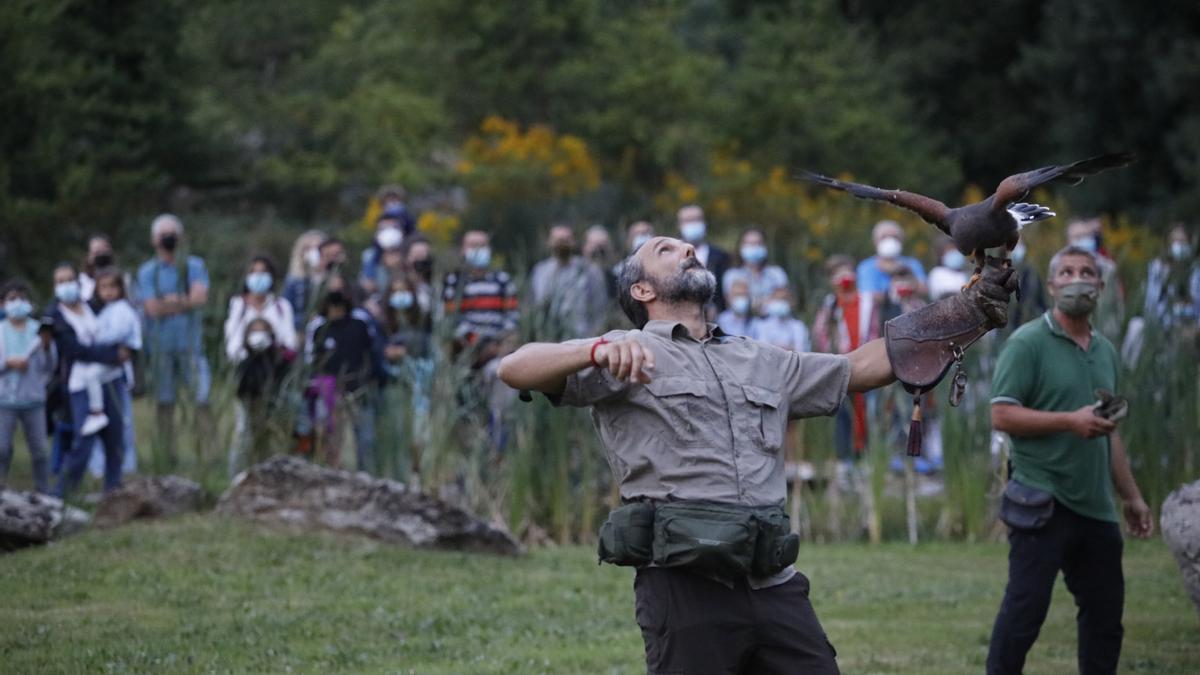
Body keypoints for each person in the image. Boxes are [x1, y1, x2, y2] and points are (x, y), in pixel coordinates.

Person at [498, 235, 1016, 674]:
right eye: (667, 249)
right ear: (642, 289)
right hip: (686, 588)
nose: (688, 249)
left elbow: (858, 368)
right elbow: (515, 367)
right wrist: (591, 350)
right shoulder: (625, 349)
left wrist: (964, 313)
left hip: (773, 582)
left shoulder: (760, 357)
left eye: (688, 245)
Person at [986, 245, 1153, 675]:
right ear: (1053, 283)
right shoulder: (1028, 343)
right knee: (1024, 616)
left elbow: (1108, 433)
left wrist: (1132, 498)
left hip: (1096, 507)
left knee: (1105, 622)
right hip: (1041, 500)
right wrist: (1067, 421)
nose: (1077, 279)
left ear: (1100, 285)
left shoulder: (1106, 352)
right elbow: (1000, 414)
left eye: (1086, 272)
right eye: (1066, 272)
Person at [46, 263, 131, 497]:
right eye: (60, 281)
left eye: (70, 279)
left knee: (115, 439)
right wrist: (114, 355)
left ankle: (112, 491)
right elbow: (74, 350)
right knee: (83, 442)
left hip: (109, 379)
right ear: (54, 286)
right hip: (80, 385)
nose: (66, 285)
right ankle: (62, 495)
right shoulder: (55, 317)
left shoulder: (92, 306)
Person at [135, 213, 212, 465]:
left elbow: (200, 299)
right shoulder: (147, 271)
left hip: (191, 344)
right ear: (153, 239)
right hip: (160, 347)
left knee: (202, 398)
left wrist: (169, 300)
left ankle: (206, 455)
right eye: (162, 234)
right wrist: (183, 301)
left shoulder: (194, 265)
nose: (167, 238)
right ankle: (166, 455)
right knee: (164, 402)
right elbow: (151, 309)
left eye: (172, 233)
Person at [305, 283, 383, 472]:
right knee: (330, 438)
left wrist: (370, 380)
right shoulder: (320, 330)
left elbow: (371, 355)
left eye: (339, 306)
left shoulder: (359, 326)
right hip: (330, 393)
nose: (335, 311)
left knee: (365, 439)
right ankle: (331, 474)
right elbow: (314, 363)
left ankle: (367, 476)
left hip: (359, 390)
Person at [813, 256, 880, 466]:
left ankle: (867, 455)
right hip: (840, 365)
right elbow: (820, 333)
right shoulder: (830, 305)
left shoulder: (868, 302)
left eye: (847, 272)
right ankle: (844, 458)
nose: (844, 278)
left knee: (868, 411)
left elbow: (875, 330)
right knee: (843, 412)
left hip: (866, 362)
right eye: (838, 274)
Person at [378, 272, 434, 483]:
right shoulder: (382, 324)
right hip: (392, 387)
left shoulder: (424, 323)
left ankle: (419, 478)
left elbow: (431, 351)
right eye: (395, 291)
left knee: (419, 436)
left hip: (420, 387)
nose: (400, 295)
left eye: (404, 290)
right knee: (397, 436)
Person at [0, 280, 55, 493]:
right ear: (3, 304)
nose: (18, 303)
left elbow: (50, 366)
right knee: (2, 449)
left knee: (40, 451)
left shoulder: (38, 330)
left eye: (22, 298)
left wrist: (48, 347)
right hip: (5, 400)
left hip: (33, 399)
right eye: (12, 299)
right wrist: (8, 363)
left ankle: (43, 491)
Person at [76, 269, 140, 438]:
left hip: (114, 359)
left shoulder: (122, 309)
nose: (109, 291)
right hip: (106, 357)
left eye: (113, 286)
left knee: (92, 376)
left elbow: (116, 333)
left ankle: (97, 413)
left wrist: (96, 339)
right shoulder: (103, 309)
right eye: (104, 287)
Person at [230, 317, 295, 476]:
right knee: (244, 439)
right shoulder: (244, 364)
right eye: (255, 331)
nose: (259, 335)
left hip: (273, 410)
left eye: (262, 331)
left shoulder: (280, 361)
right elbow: (241, 392)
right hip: (249, 409)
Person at [527, 224, 608, 340]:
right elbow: (533, 306)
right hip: (547, 340)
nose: (562, 245)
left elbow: (600, 308)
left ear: (573, 242)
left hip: (582, 339)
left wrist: (594, 336)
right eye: (558, 240)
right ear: (549, 242)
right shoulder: (540, 272)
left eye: (566, 240)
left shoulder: (588, 271)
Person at [224, 255, 297, 363]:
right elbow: (232, 342)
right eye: (253, 272)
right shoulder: (238, 305)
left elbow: (290, 341)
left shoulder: (282, 306)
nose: (258, 276)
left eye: (263, 272)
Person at [1067, 218, 1124, 341]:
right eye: (1077, 237)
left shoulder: (1108, 269)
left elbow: (1118, 305)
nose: (1082, 241)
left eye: (1085, 236)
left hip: (1105, 335)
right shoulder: (1060, 272)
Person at [1144, 223, 1199, 335]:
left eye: (1183, 241)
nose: (1179, 246)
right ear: (1168, 245)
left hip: (1191, 325)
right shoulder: (1157, 268)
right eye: (1176, 241)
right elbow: (1152, 303)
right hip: (1165, 325)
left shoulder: (1195, 271)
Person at [676, 205, 732, 312]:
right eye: (688, 221)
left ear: (704, 222)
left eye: (697, 219)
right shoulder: (672, 256)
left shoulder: (720, 256)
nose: (693, 224)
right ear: (679, 225)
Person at [722, 228, 789, 316]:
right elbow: (733, 304)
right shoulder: (731, 275)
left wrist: (750, 303)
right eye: (749, 244)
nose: (754, 247)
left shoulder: (777, 273)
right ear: (741, 247)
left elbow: (784, 300)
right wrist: (767, 303)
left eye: (758, 243)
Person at [855, 220, 927, 296]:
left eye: (895, 237)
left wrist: (907, 274)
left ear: (901, 241)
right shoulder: (866, 267)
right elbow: (868, 295)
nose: (890, 241)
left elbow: (924, 291)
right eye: (884, 237)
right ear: (875, 242)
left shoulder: (912, 264)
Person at [282, 229, 328, 332]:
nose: (313, 252)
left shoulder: (331, 279)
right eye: (308, 248)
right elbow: (287, 312)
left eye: (317, 248)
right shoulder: (294, 281)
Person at [1005, 239, 1048, 333]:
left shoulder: (1032, 272)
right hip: (1006, 331)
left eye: (1019, 244)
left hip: (1029, 326)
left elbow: (1042, 302)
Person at [754, 286, 810, 353]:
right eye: (777, 300)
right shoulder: (763, 326)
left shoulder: (798, 326)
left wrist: (775, 347)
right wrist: (788, 348)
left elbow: (800, 350)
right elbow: (763, 351)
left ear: (791, 303)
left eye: (784, 299)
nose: (780, 303)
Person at [360, 216, 407, 296]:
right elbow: (366, 286)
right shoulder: (369, 255)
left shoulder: (408, 254)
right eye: (384, 229)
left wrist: (398, 266)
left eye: (393, 228)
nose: (389, 233)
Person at [582, 224, 618, 299]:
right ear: (584, 248)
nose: (599, 252)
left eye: (602, 247)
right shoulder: (576, 278)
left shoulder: (618, 280)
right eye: (594, 246)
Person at [78, 236, 117, 303]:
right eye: (97, 253)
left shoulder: (124, 279)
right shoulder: (80, 281)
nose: (101, 256)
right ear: (88, 256)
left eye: (104, 252)